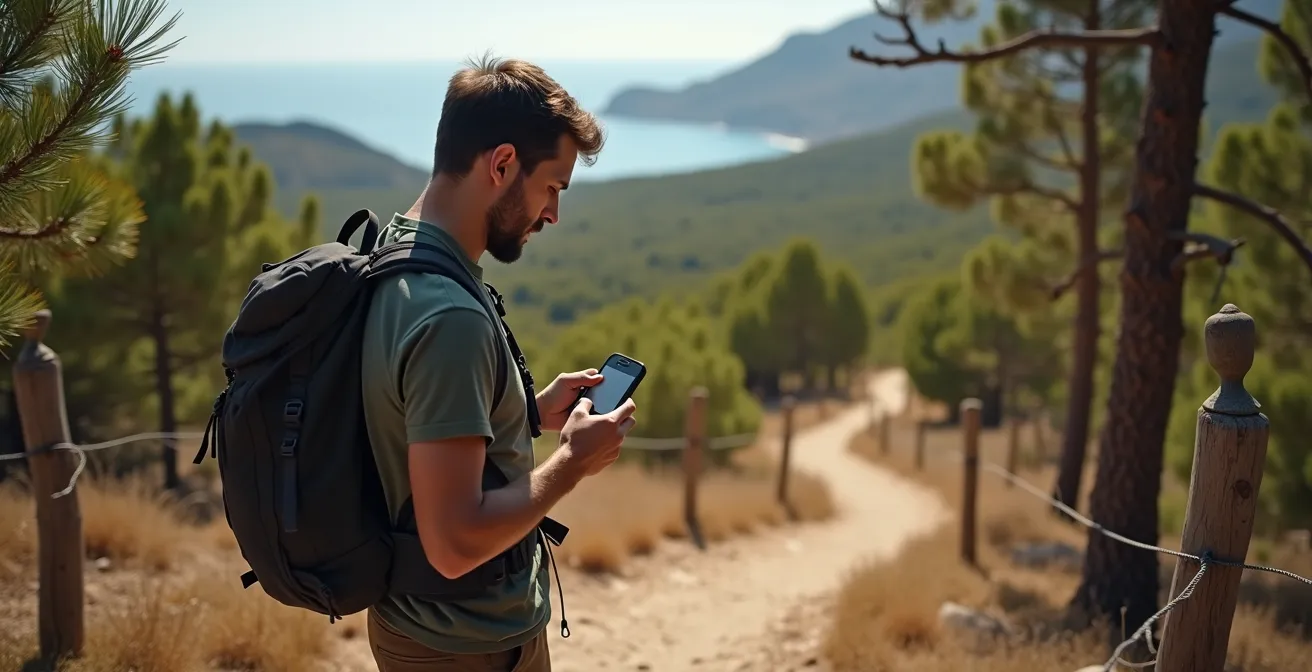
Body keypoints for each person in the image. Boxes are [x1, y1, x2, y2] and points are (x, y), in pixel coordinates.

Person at [359, 54, 637, 671]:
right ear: (502, 164)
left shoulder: (397, 251)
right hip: (464, 643)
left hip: (429, 628)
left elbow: (413, 419)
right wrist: (572, 461)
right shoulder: (450, 318)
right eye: (552, 187)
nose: (553, 214)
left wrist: (527, 414)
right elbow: (456, 542)